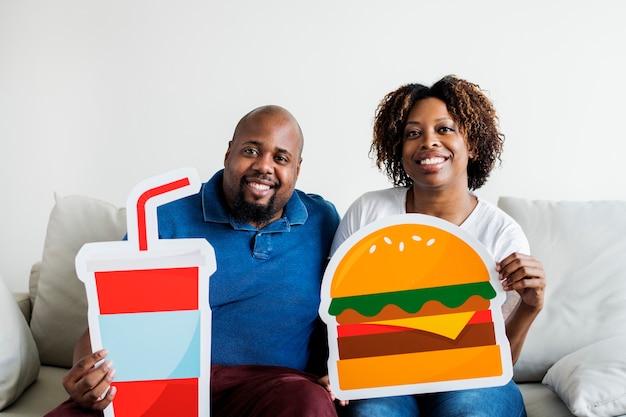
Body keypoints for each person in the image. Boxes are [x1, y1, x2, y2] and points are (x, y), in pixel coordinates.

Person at [44, 105, 342, 417]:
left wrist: (341, 372)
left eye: (281, 158)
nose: (264, 166)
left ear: (297, 168)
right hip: (167, 382)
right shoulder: (164, 217)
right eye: (251, 150)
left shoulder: (322, 221)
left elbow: (344, 311)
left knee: (309, 402)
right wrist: (88, 376)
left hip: (274, 389)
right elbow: (108, 321)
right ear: (228, 153)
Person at [331, 75, 546, 417]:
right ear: (398, 150)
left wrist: (530, 307)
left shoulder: (502, 232)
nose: (429, 142)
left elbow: (498, 357)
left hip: (472, 382)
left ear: (472, 144)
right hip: (383, 377)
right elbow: (336, 314)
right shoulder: (368, 212)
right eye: (413, 133)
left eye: (445, 129)